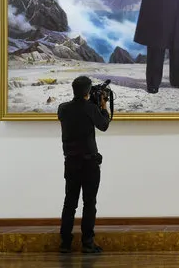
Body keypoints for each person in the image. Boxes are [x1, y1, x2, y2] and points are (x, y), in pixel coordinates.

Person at [57, 76, 112, 254]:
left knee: (69, 202)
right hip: (89, 162)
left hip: (71, 162)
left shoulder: (63, 108)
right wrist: (103, 105)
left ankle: (65, 243)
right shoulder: (91, 109)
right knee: (89, 203)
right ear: (88, 92)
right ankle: (87, 243)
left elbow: (73, 114)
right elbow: (104, 125)